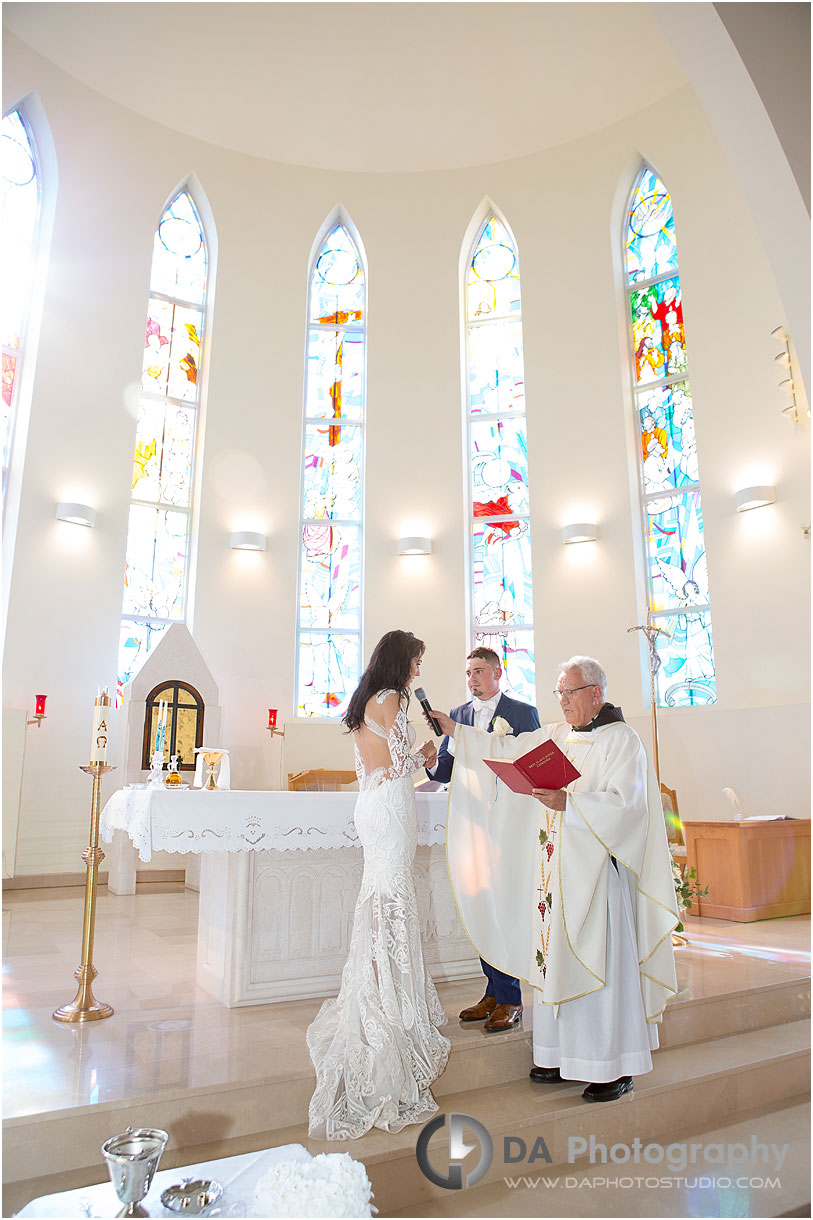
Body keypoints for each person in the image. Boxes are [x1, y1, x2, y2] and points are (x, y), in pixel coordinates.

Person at [436, 655, 678, 1103]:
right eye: (559, 693)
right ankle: (556, 1055)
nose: (563, 701)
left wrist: (573, 805)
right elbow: (510, 750)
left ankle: (613, 1065)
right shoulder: (559, 735)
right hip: (553, 872)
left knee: (597, 965)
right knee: (552, 963)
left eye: (570, 693)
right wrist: (458, 734)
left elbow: (631, 807)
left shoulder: (621, 741)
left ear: (596, 694)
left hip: (597, 878)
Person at [307, 630, 450, 1140]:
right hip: (390, 807)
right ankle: (389, 1001)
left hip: (372, 807)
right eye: (416, 660)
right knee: (392, 898)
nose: (418, 669)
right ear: (399, 661)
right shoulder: (391, 700)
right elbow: (396, 765)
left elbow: (371, 765)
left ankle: (377, 978)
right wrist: (428, 756)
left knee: (380, 896)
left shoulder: (366, 699)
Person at [426, 646, 540, 1033]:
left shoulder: (522, 713)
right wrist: (430, 760)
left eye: (478, 671)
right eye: (468, 673)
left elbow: (532, 763)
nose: (472, 678)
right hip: (471, 822)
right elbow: (446, 771)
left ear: (497, 672)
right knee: (479, 903)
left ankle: (511, 998)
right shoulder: (457, 716)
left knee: (504, 904)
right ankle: (493, 990)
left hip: (507, 824)